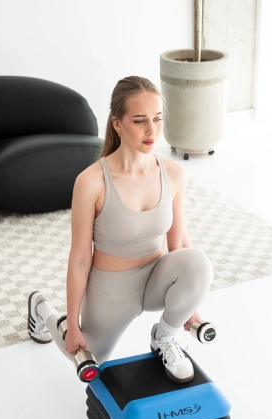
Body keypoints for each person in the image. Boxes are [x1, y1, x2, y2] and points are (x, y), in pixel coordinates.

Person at [27, 76, 213, 383]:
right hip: (112, 289)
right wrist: (72, 323)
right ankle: (42, 308)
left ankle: (163, 339)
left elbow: (179, 241)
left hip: (157, 278)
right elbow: (80, 258)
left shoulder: (173, 173)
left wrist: (191, 306)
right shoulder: (91, 182)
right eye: (140, 121)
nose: (152, 130)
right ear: (117, 124)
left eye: (157, 118)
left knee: (198, 262)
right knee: (90, 358)